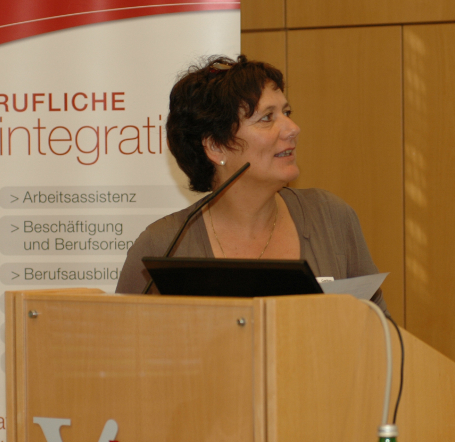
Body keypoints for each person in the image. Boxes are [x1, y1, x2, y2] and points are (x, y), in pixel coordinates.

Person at [116, 55, 387, 313]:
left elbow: (383, 334)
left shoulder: (330, 218)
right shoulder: (163, 245)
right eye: (267, 117)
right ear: (216, 146)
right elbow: (121, 339)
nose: (293, 128)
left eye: (287, 112)